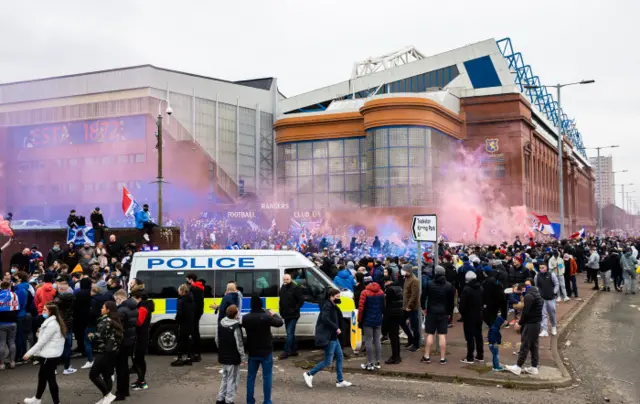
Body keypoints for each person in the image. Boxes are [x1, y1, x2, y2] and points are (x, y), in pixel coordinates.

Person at [303, 288, 352, 389]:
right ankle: (309, 374)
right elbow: (325, 318)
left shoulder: (333, 306)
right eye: (337, 297)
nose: (339, 298)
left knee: (340, 357)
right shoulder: (327, 306)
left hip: (333, 336)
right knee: (328, 361)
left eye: (339, 296)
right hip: (329, 337)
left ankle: (340, 380)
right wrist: (336, 328)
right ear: (331, 297)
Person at [241, 295, 284, 404]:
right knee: (267, 377)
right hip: (266, 351)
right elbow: (280, 322)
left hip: (252, 351)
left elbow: (244, 325)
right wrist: (274, 314)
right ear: (261, 304)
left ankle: (250, 400)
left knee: (251, 377)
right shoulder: (266, 317)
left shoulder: (246, 318)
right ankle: (267, 400)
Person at [22, 302, 66, 404]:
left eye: (45, 310)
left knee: (50, 379)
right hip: (51, 354)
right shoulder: (54, 322)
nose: (43, 312)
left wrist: (29, 353)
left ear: (51, 312)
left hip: (49, 356)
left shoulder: (51, 324)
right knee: (43, 377)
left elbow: (42, 342)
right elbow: (46, 339)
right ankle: (37, 399)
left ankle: (55, 402)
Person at [89, 301, 124, 404]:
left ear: (108, 310)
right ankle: (106, 398)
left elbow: (98, 336)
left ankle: (107, 395)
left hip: (104, 350)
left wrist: (91, 336)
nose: (101, 309)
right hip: (112, 350)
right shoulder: (114, 320)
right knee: (106, 374)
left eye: (103, 308)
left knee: (93, 374)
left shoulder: (105, 321)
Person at [506, 283, 544, 376]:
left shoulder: (528, 296)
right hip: (536, 323)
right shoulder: (536, 293)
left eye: (519, 292)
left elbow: (525, 312)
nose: (520, 295)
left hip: (530, 324)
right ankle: (534, 367)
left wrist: (519, 323)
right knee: (534, 345)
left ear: (522, 289)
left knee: (525, 345)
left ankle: (518, 367)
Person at [421, 265, 455, 365]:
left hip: (431, 312)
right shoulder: (449, 286)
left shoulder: (429, 284)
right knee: (442, 335)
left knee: (430, 334)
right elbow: (451, 302)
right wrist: (449, 313)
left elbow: (423, 297)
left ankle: (427, 356)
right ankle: (442, 358)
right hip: (443, 312)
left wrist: (423, 308)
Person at [215, 305, 246, 404]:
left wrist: (222, 349)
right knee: (232, 380)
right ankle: (229, 400)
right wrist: (243, 357)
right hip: (233, 357)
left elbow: (217, 339)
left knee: (225, 377)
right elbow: (239, 343)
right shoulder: (236, 326)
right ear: (235, 314)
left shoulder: (221, 323)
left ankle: (220, 399)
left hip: (223, 355)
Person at [113, 289, 138, 400]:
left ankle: (120, 392)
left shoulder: (121, 310)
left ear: (119, 298)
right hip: (130, 340)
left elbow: (118, 327)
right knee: (124, 367)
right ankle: (125, 390)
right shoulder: (133, 307)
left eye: (115, 300)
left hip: (122, 342)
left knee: (120, 368)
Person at [358, 278, 385, 371]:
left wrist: (359, 319)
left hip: (368, 320)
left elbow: (361, 308)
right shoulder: (381, 292)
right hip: (378, 319)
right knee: (377, 340)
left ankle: (369, 363)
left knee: (368, 340)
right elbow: (383, 306)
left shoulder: (364, 293)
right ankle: (378, 362)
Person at [131, 291, 154, 391]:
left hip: (141, 337)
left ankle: (142, 382)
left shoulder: (143, 308)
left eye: (133, 299)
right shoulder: (144, 306)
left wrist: (130, 319)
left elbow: (139, 322)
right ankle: (140, 379)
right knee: (138, 360)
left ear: (139, 298)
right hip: (141, 336)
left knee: (139, 360)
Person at [459, 271, 484, 364]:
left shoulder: (466, 290)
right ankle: (480, 355)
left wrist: (463, 314)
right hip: (479, 315)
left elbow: (462, 306)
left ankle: (470, 357)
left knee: (469, 337)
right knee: (479, 335)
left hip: (469, 316)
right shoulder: (481, 288)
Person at [54, 275, 76, 375]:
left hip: (59, 324)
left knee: (56, 346)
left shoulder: (58, 299)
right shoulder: (71, 298)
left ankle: (53, 368)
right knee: (67, 347)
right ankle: (67, 367)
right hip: (68, 324)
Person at [278, 273, 303, 360]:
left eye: (287, 279)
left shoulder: (295, 288)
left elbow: (301, 300)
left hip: (294, 315)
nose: (286, 281)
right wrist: (280, 310)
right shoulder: (283, 288)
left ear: (291, 279)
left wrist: (295, 309)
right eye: (284, 279)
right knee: (290, 333)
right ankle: (294, 350)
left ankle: (286, 351)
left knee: (289, 333)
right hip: (285, 314)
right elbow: (281, 300)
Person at [382, 276, 403, 364]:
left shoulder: (389, 290)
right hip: (398, 313)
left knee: (393, 337)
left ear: (386, 282)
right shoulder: (398, 288)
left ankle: (395, 357)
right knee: (396, 336)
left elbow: (387, 304)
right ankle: (397, 355)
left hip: (391, 315)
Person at [172, 284, 195, 366]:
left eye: (179, 290)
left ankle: (179, 358)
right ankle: (189, 358)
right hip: (190, 322)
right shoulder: (191, 299)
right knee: (188, 340)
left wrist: (176, 321)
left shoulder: (180, 300)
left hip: (182, 323)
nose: (178, 292)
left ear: (182, 291)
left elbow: (179, 313)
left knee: (181, 340)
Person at [534, 263, 559, 337]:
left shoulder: (552, 274)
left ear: (546, 267)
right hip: (542, 298)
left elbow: (557, 284)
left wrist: (554, 292)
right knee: (543, 314)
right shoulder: (537, 276)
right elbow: (536, 286)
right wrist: (538, 294)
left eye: (543, 267)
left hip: (550, 298)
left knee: (552, 313)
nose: (541, 269)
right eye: (540, 268)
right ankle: (544, 329)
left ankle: (553, 327)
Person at [73, 278, 93, 367]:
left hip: (79, 316)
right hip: (89, 316)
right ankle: (88, 348)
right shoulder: (91, 293)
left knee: (80, 332)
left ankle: (81, 347)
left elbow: (75, 305)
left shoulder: (79, 293)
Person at [185, 273, 204, 362]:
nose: (186, 281)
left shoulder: (193, 289)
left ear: (191, 279)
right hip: (198, 312)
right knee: (195, 332)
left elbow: (192, 302)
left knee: (194, 333)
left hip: (194, 313)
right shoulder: (199, 288)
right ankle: (197, 353)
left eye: (187, 279)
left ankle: (196, 354)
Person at [401, 265, 420, 352]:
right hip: (405, 306)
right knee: (401, 321)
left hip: (411, 307)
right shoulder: (406, 278)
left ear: (408, 271)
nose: (402, 271)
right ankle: (410, 338)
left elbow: (414, 296)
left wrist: (409, 306)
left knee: (414, 326)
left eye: (404, 270)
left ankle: (416, 344)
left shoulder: (414, 281)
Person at [0, 280, 18, 370]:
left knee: (2, 343)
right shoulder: (14, 295)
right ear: (9, 287)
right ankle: (12, 362)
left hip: (1, 323)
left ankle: (2, 364)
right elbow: (17, 307)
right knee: (12, 342)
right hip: (13, 322)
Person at [13, 270, 31, 362]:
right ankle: (22, 354)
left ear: (19, 278)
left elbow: (19, 303)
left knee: (19, 336)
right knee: (22, 335)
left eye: (15, 277)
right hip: (23, 313)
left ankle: (19, 355)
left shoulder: (20, 289)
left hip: (19, 314)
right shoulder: (25, 287)